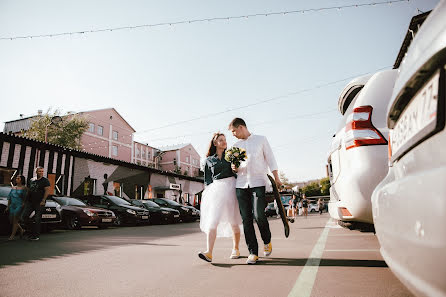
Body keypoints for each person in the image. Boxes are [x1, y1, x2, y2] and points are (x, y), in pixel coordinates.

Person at [229, 118, 282, 265]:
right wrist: (234, 168)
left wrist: (277, 178)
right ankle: (252, 252)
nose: (232, 134)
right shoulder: (235, 145)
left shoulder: (261, 140)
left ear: (240, 127)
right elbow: (236, 166)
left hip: (258, 182)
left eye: (233, 131)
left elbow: (271, 159)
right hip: (240, 184)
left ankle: (267, 240)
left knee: (259, 215)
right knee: (246, 219)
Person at [198, 133, 242, 263]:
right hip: (216, 190)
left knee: (233, 221)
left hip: (231, 187)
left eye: (225, 140)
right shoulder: (208, 160)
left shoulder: (232, 155)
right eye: (221, 140)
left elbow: (238, 172)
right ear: (215, 143)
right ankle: (209, 253)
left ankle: (236, 248)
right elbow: (207, 180)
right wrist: (209, 195)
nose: (224, 142)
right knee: (213, 221)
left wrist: (236, 168)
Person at [21, 167, 50, 241]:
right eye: (39, 171)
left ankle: (35, 235)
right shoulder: (31, 180)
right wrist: (25, 201)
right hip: (30, 202)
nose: (41, 172)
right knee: (24, 216)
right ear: (36, 172)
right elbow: (28, 191)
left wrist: (43, 200)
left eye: (42, 171)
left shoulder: (45, 181)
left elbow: (47, 191)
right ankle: (31, 231)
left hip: (39, 202)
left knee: (37, 219)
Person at [5, 175, 26, 240]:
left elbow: (25, 198)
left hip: (19, 205)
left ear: (21, 180)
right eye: (16, 178)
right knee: (11, 220)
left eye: (18, 178)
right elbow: (9, 197)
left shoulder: (24, 188)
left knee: (15, 220)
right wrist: (8, 206)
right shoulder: (13, 187)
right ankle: (21, 230)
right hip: (12, 205)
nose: (16, 179)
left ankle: (12, 236)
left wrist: (23, 205)